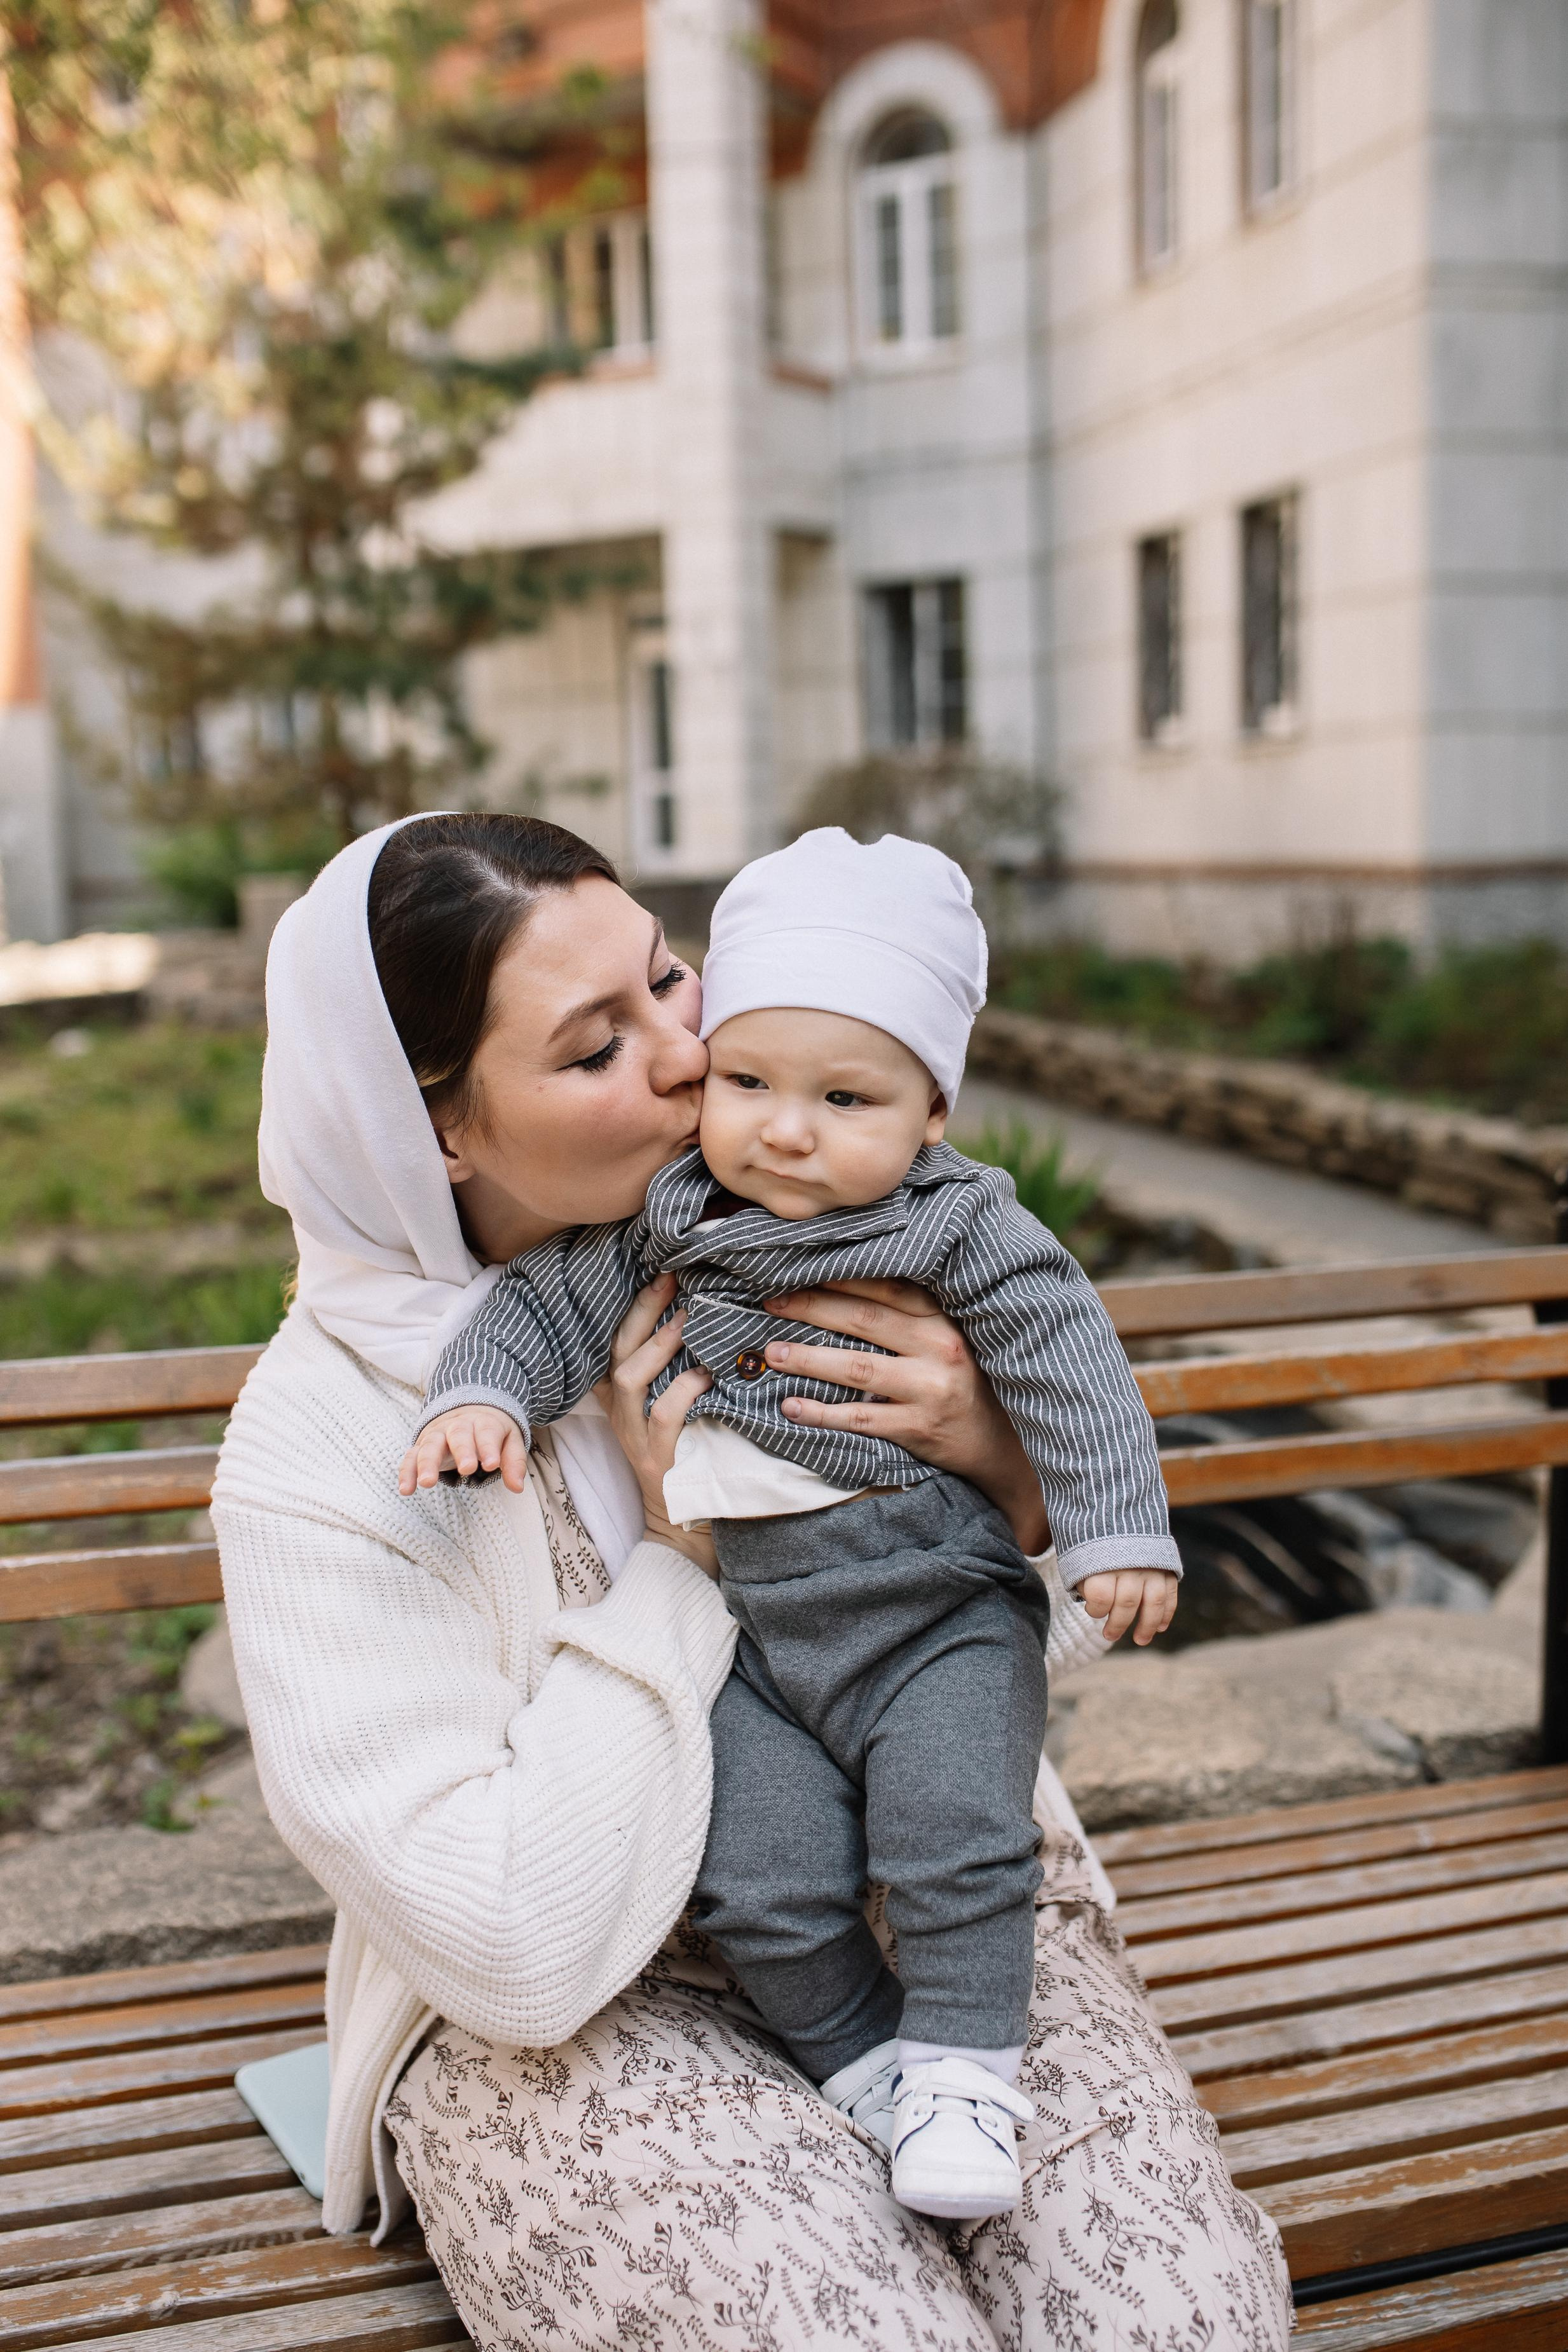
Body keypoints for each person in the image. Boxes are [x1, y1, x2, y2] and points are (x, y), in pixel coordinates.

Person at [213, 810, 1292, 2349]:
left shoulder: (827, 1234)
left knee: (1178, 2320)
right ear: (430, 1123)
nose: (683, 1050)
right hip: (588, 2017)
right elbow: (507, 1941)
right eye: (596, 1047)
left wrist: (1010, 1475)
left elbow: (988, 1648)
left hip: (944, 1919)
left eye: (669, 975)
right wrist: (678, 1566)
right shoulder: (323, 1438)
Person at [403, 828, 1182, 2224]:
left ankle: (961, 2065)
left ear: (932, 1109)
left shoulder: (960, 1227)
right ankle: (861, 2057)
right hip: (748, 1632)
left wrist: (1106, 1523)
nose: (780, 1126)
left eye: (842, 1096)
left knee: (953, 1829)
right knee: (763, 1871)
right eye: (748, 1079)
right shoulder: (676, 1215)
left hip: (926, 1606)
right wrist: (479, 1397)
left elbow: (1072, 1360)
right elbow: (541, 1311)